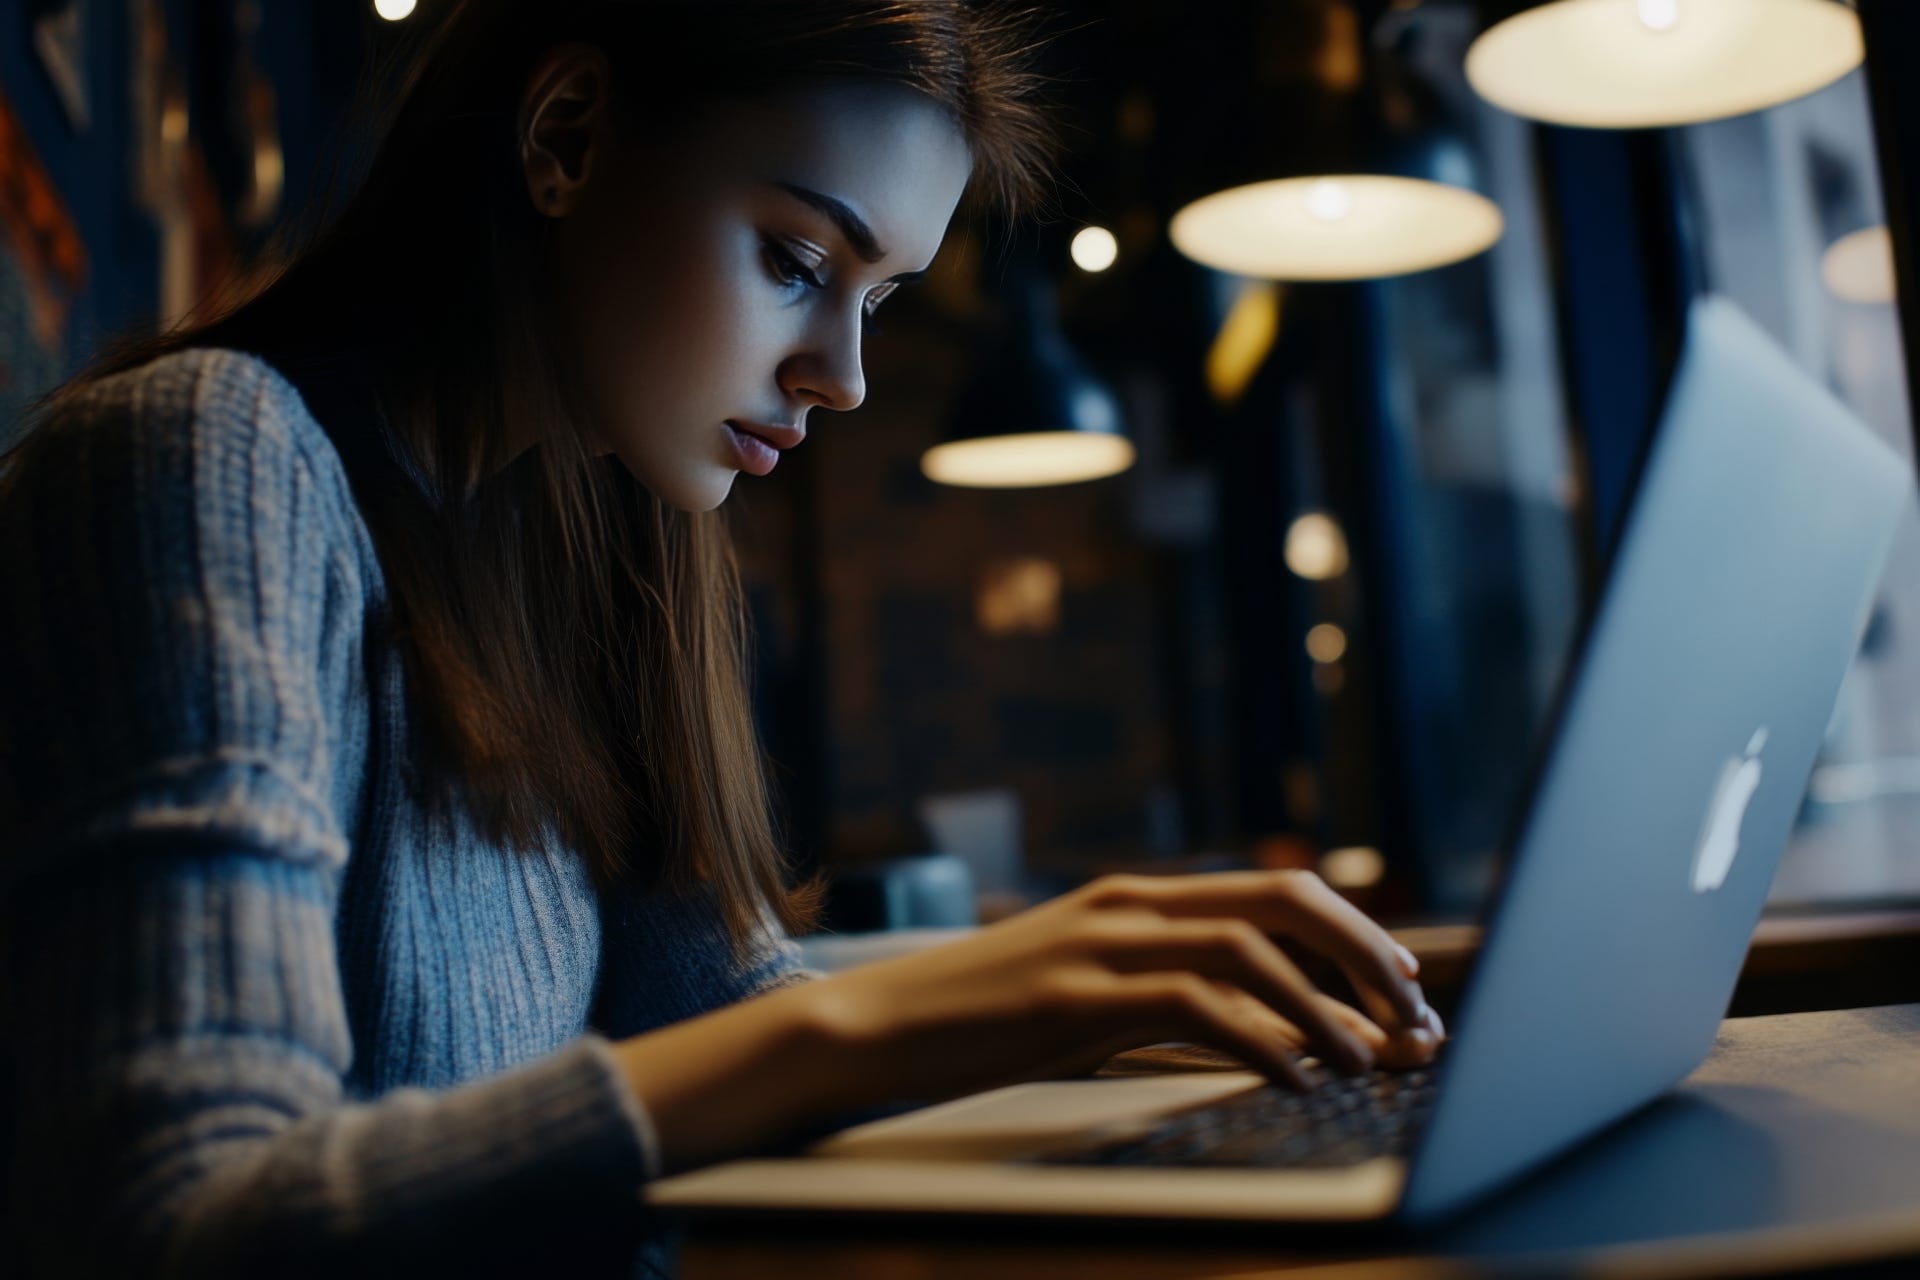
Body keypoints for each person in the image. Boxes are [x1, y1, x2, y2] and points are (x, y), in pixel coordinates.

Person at [0, 2, 1443, 1276]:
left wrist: (1120, 999)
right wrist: (889, 1022)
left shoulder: (578, 546)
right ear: (565, 134)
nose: (847, 377)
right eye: (795, 257)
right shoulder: (206, 460)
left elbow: (713, 1006)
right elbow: (173, 1218)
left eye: (876, 300)